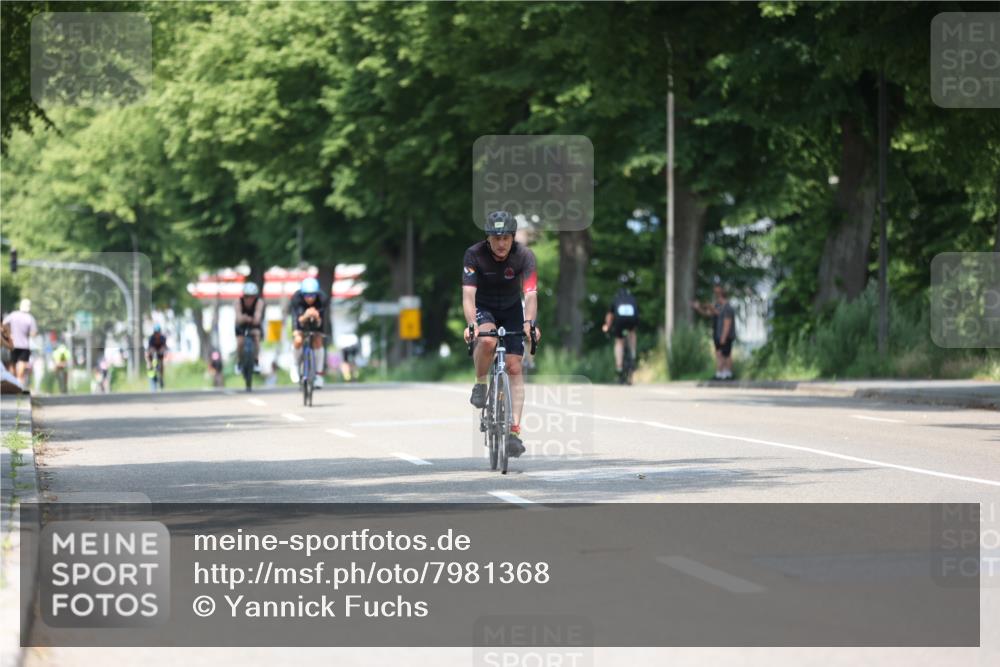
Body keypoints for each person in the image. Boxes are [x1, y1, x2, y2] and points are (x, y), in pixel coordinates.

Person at [462, 210, 541, 458]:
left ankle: (514, 432)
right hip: (483, 308)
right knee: (487, 340)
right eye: (496, 238)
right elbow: (468, 295)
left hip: (511, 309)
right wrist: (472, 323)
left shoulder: (525, 256)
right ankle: (480, 383)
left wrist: (529, 322)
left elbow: (530, 294)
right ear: (488, 238)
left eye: (506, 238)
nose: (501, 243)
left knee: (514, 366)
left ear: (513, 237)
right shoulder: (474, 254)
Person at [692, 277, 736, 380]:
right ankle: (720, 373)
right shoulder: (719, 307)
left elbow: (727, 323)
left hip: (725, 335)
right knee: (719, 354)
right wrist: (699, 308)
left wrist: (723, 337)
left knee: (726, 354)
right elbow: (711, 313)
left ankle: (727, 373)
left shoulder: (727, 308)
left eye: (718, 297)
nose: (716, 300)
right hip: (718, 334)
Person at [290, 277, 328, 387]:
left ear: (317, 294)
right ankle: (295, 365)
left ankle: (319, 374)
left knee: (318, 341)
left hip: (317, 319)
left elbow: (321, 320)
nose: (310, 298)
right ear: (303, 294)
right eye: (307, 295)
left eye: (312, 295)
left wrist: (316, 317)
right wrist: (306, 315)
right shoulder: (297, 299)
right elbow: (299, 319)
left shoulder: (322, 299)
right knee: (298, 339)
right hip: (300, 317)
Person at [602, 274, 639, 380]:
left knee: (619, 341)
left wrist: (607, 326)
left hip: (620, 322)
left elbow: (610, 315)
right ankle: (633, 354)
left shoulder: (616, 299)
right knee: (632, 333)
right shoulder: (632, 298)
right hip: (632, 320)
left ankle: (619, 366)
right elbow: (637, 313)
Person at [2, 299, 38, 386]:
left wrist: (9, 333)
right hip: (24, 346)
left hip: (12, 344)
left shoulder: (13, 315)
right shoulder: (30, 318)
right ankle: (18, 381)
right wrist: (26, 333)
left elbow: (3, 325)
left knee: (12, 364)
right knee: (21, 366)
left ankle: (12, 382)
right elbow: (33, 333)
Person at [234, 282, 265, 373]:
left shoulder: (259, 302)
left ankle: (255, 361)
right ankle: (239, 362)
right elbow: (239, 318)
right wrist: (248, 319)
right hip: (241, 325)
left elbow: (257, 318)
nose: (249, 299)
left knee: (257, 337)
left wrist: (246, 318)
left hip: (254, 325)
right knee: (240, 342)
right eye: (247, 296)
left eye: (252, 297)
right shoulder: (238, 302)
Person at [146, 323, 168, 390]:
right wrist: (151, 355)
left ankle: (161, 377)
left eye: (158, 333)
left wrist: (163, 350)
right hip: (152, 354)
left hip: (159, 354)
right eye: (156, 333)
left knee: (161, 364)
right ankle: (151, 380)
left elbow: (164, 347)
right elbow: (149, 348)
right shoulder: (151, 338)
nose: (157, 334)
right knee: (149, 363)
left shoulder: (163, 338)